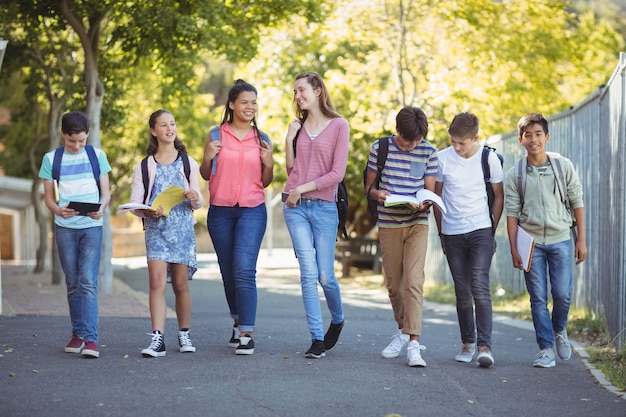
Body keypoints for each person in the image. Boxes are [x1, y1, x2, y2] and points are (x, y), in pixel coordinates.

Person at [505, 112, 587, 368]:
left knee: (562, 295)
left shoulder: (563, 167)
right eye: (527, 135)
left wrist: (581, 239)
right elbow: (511, 213)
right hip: (531, 244)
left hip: (561, 239)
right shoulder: (515, 174)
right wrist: (513, 249)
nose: (533, 139)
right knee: (538, 297)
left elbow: (577, 202)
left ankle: (559, 330)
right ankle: (546, 349)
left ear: (547, 137)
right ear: (520, 139)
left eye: (538, 134)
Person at [200, 80, 274, 355]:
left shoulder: (262, 139)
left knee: (244, 269)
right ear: (231, 105)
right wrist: (207, 157)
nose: (250, 107)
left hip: (252, 210)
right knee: (229, 272)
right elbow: (206, 174)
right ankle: (236, 321)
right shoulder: (215, 135)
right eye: (245, 102)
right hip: (220, 211)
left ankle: (246, 332)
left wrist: (270, 164)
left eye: (254, 102)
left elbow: (266, 181)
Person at [364, 106, 438, 367]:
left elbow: (429, 191)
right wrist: (379, 194)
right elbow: (370, 188)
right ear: (397, 132)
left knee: (414, 282)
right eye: (408, 141)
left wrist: (425, 202)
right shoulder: (380, 148)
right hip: (389, 223)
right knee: (394, 285)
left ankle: (414, 345)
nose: (412, 145)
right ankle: (402, 330)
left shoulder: (429, 151)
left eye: (417, 140)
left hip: (417, 223)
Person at [283, 72, 348, 359]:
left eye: (302, 90)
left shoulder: (339, 125)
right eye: (295, 91)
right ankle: (317, 339)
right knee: (308, 274)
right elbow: (291, 170)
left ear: (318, 90)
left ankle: (338, 318)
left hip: (323, 208)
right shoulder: (298, 127)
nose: (298, 95)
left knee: (325, 276)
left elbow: (337, 174)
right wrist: (289, 139)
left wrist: (302, 188)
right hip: (295, 208)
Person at [129, 109, 203, 357]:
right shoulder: (144, 166)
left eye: (172, 123)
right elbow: (136, 203)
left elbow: (198, 200)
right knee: (156, 283)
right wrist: (148, 212)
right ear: (153, 131)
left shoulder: (187, 162)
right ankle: (157, 339)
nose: (169, 128)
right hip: (156, 229)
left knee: (181, 284)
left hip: (182, 229)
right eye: (163, 125)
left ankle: (184, 333)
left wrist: (194, 196)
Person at [39, 111, 112, 358]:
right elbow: (49, 198)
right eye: (72, 141)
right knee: (72, 283)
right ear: (63, 134)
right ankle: (77, 334)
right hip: (65, 228)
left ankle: (91, 340)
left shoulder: (97, 155)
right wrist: (59, 209)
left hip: (91, 227)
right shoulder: (51, 158)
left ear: (87, 134)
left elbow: (105, 193)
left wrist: (101, 208)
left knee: (88, 282)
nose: (77, 146)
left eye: (81, 140)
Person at [433, 112, 503, 368]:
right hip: (452, 234)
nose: (457, 147)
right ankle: (467, 342)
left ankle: (485, 346)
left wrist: (491, 230)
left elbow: (498, 196)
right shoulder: (441, 159)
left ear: (475, 137)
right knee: (462, 291)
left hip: (481, 230)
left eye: (462, 143)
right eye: (453, 142)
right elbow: (437, 200)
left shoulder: (489, 158)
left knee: (479, 286)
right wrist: (441, 234)